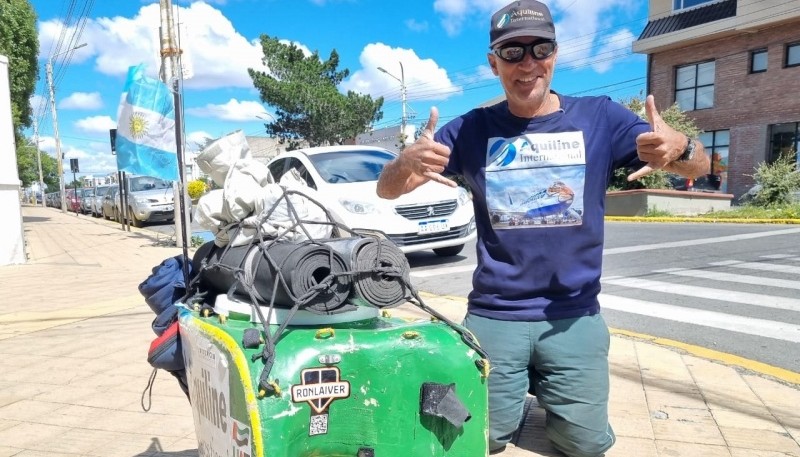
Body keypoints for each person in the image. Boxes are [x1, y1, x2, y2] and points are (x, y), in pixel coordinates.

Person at [376, 1, 710, 456]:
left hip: (573, 314)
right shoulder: (472, 129)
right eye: (512, 52)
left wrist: (683, 145)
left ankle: (545, 385)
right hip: (497, 312)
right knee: (474, 441)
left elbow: (702, 164)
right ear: (494, 63)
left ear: (555, 55)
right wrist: (403, 162)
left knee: (584, 446)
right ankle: (523, 386)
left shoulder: (600, 117)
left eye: (540, 48)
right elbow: (388, 191)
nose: (527, 63)